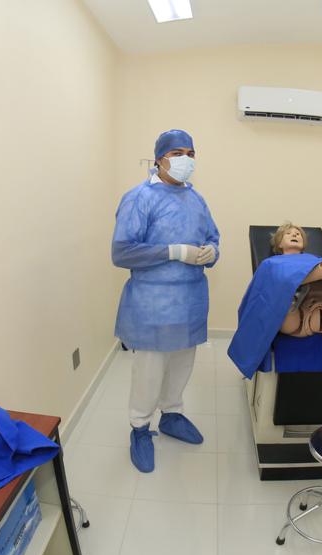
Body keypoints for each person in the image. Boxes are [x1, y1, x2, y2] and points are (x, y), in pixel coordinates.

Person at [111, 129, 220, 473]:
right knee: (149, 372)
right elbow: (122, 252)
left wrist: (212, 251)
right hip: (153, 305)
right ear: (159, 159)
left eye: (190, 153)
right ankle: (140, 428)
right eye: (177, 153)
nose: (185, 159)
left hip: (190, 302)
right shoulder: (140, 198)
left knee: (181, 365)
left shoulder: (197, 199)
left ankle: (172, 415)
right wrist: (174, 252)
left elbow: (213, 237)